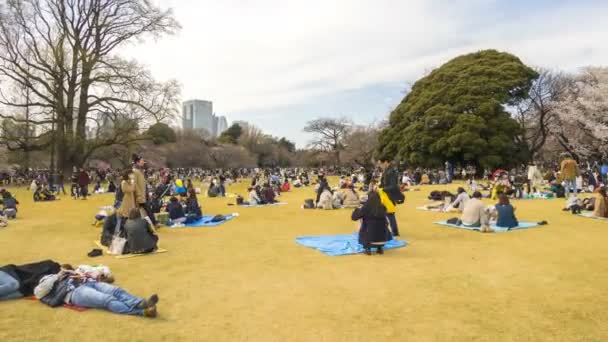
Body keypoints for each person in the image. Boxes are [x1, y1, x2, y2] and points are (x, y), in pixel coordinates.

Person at [34, 265, 158, 317]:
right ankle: (142, 311)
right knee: (107, 300)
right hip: (74, 293)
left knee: (116, 290)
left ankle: (140, 303)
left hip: (89, 282)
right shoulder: (45, 281)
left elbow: (96, 269)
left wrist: (80, 272)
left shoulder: (71, 272)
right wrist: (57, 276)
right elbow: (39, 293)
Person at [352, 191, 393, 255]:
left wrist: (357, 209)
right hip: (383, 237)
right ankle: (379, 248)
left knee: (366, 227)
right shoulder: (383, 207)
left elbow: (354, 218)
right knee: (380, 225)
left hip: (370, 237)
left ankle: (367, 248)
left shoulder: (366, 207)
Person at [379, 158, 402, 236]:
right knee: (385, 213)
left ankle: (395, 232)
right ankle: (389, 231)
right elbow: (383, 183)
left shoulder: (391, 171)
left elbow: (394, 186)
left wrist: (382, 189)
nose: (380, 166)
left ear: (385, 162)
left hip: (390, 195)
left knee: (390, 214)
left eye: (380, 164)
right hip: (385, 194)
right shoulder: (386, 170)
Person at [132, 154, 158, 226]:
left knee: (147, 209)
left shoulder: (140, 170)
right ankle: (153, 223)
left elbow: (143, 181)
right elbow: (135, 184)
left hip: (144, 194)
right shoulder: (135, 171)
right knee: (143, 210)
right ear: (137, 162)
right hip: (140, 195)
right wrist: (138, 194)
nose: (144, 162)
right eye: (142, 161)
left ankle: (153, 223)